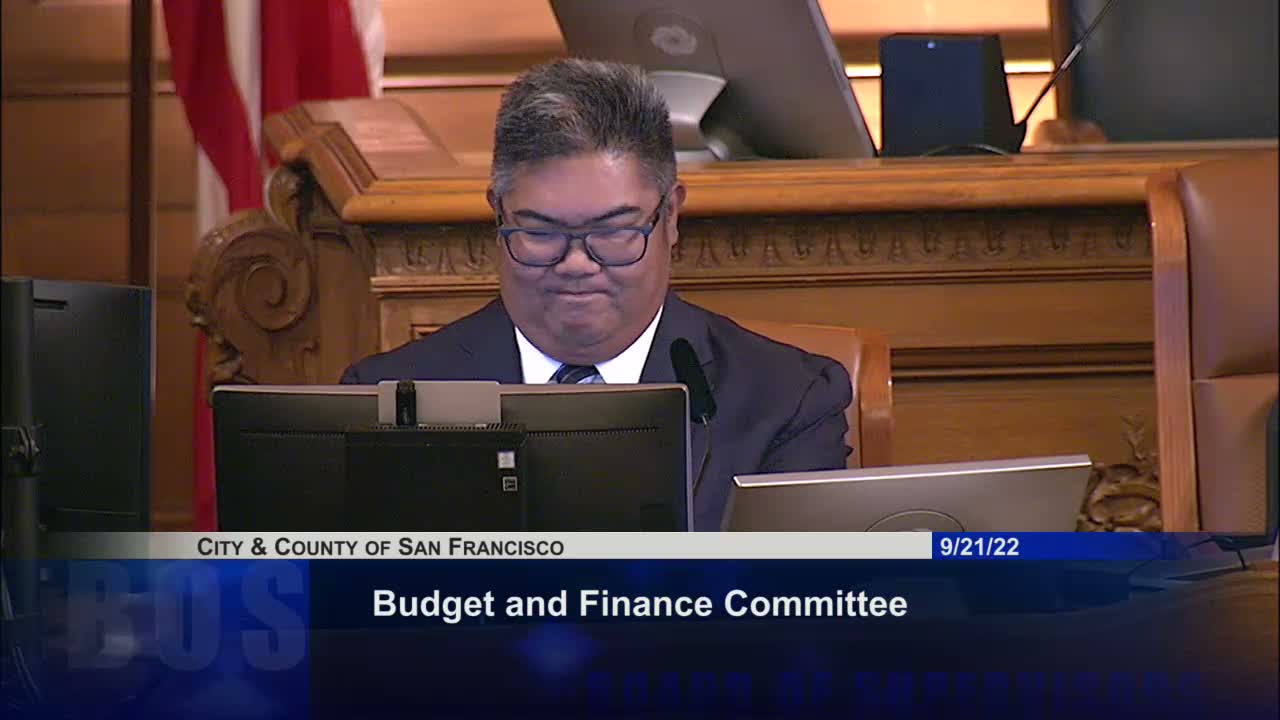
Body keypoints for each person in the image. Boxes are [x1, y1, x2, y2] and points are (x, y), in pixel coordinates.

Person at [341, 59, 852, 530]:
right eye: (541, 232)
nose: (577, 263)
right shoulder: (386, 401)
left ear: (670, 216)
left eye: (613, 231)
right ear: (497, 214)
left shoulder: (787, 400)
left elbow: (796, 593)